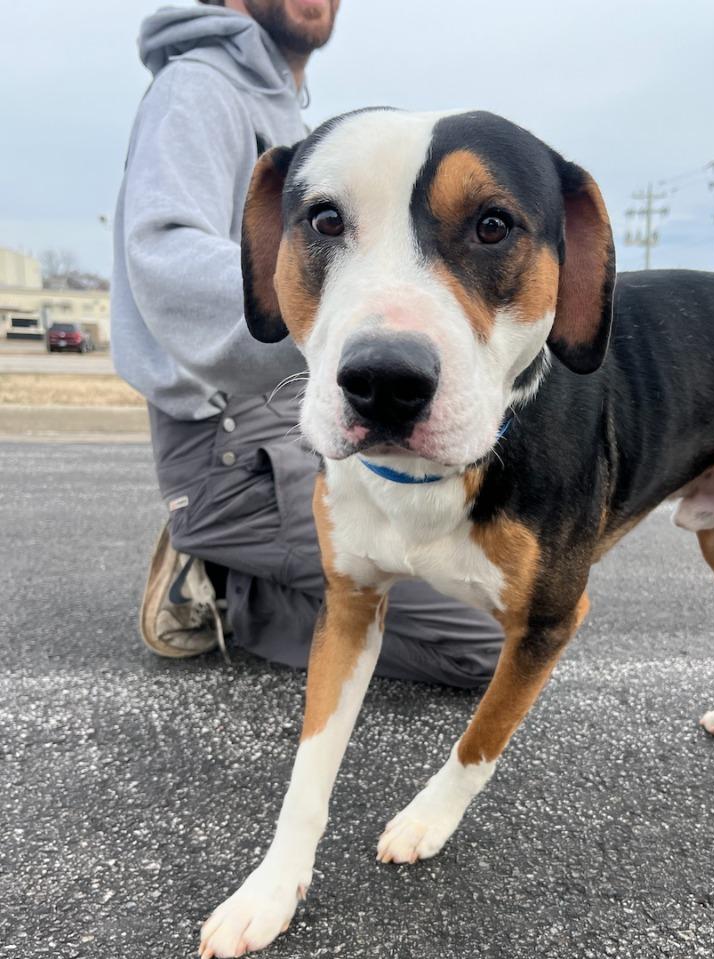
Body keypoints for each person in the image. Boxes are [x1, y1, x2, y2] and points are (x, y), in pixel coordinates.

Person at [111, 0, 503, 686]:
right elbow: (163, 259)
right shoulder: (197, 86)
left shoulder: (290, 116)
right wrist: (337, 329)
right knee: (481, 646)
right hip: (226, 440)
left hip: (293, 406)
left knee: (499, 585)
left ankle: (251, 557)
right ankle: (221, 578)